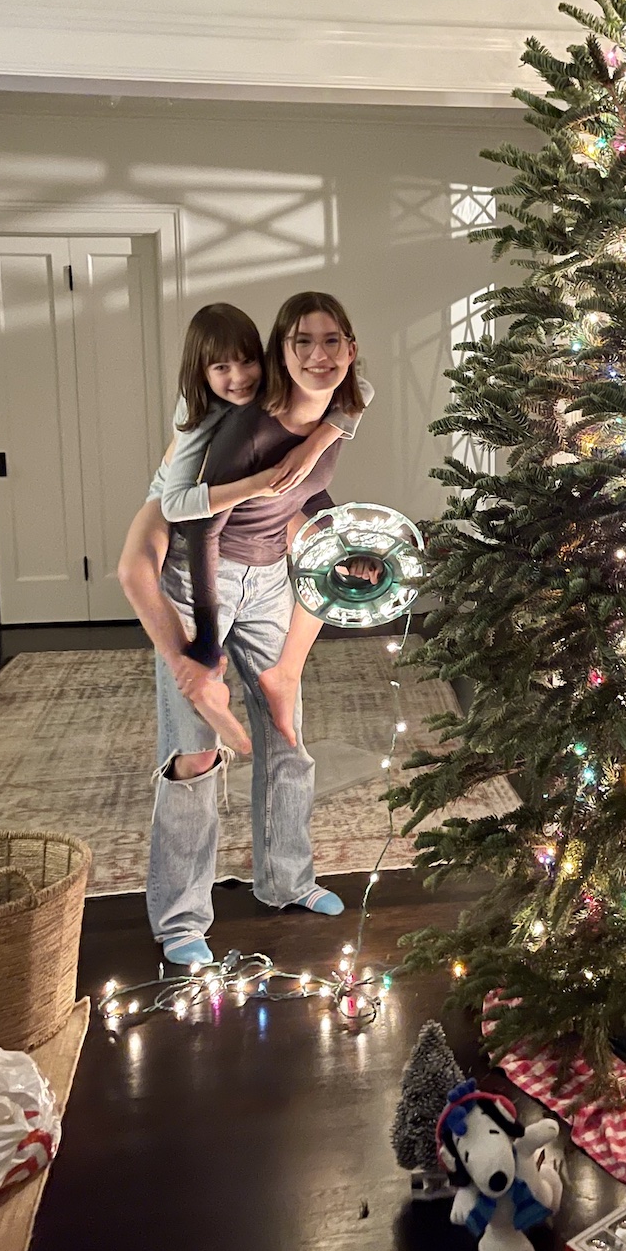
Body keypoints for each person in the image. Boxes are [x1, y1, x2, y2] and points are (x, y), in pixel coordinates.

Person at [133, 292, 370, 967]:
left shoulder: (337, 412)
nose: (318, 356)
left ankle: (287, 881)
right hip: (196, 580)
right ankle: (180, 920)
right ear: (281, 352)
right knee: (195, 753)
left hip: (271, 579)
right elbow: (199, 527)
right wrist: (204, 642)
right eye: (302, 344)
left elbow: (306, 490)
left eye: (331, 343)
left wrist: (335, 536)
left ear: (349, 350)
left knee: (287, 729)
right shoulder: (248, 427)